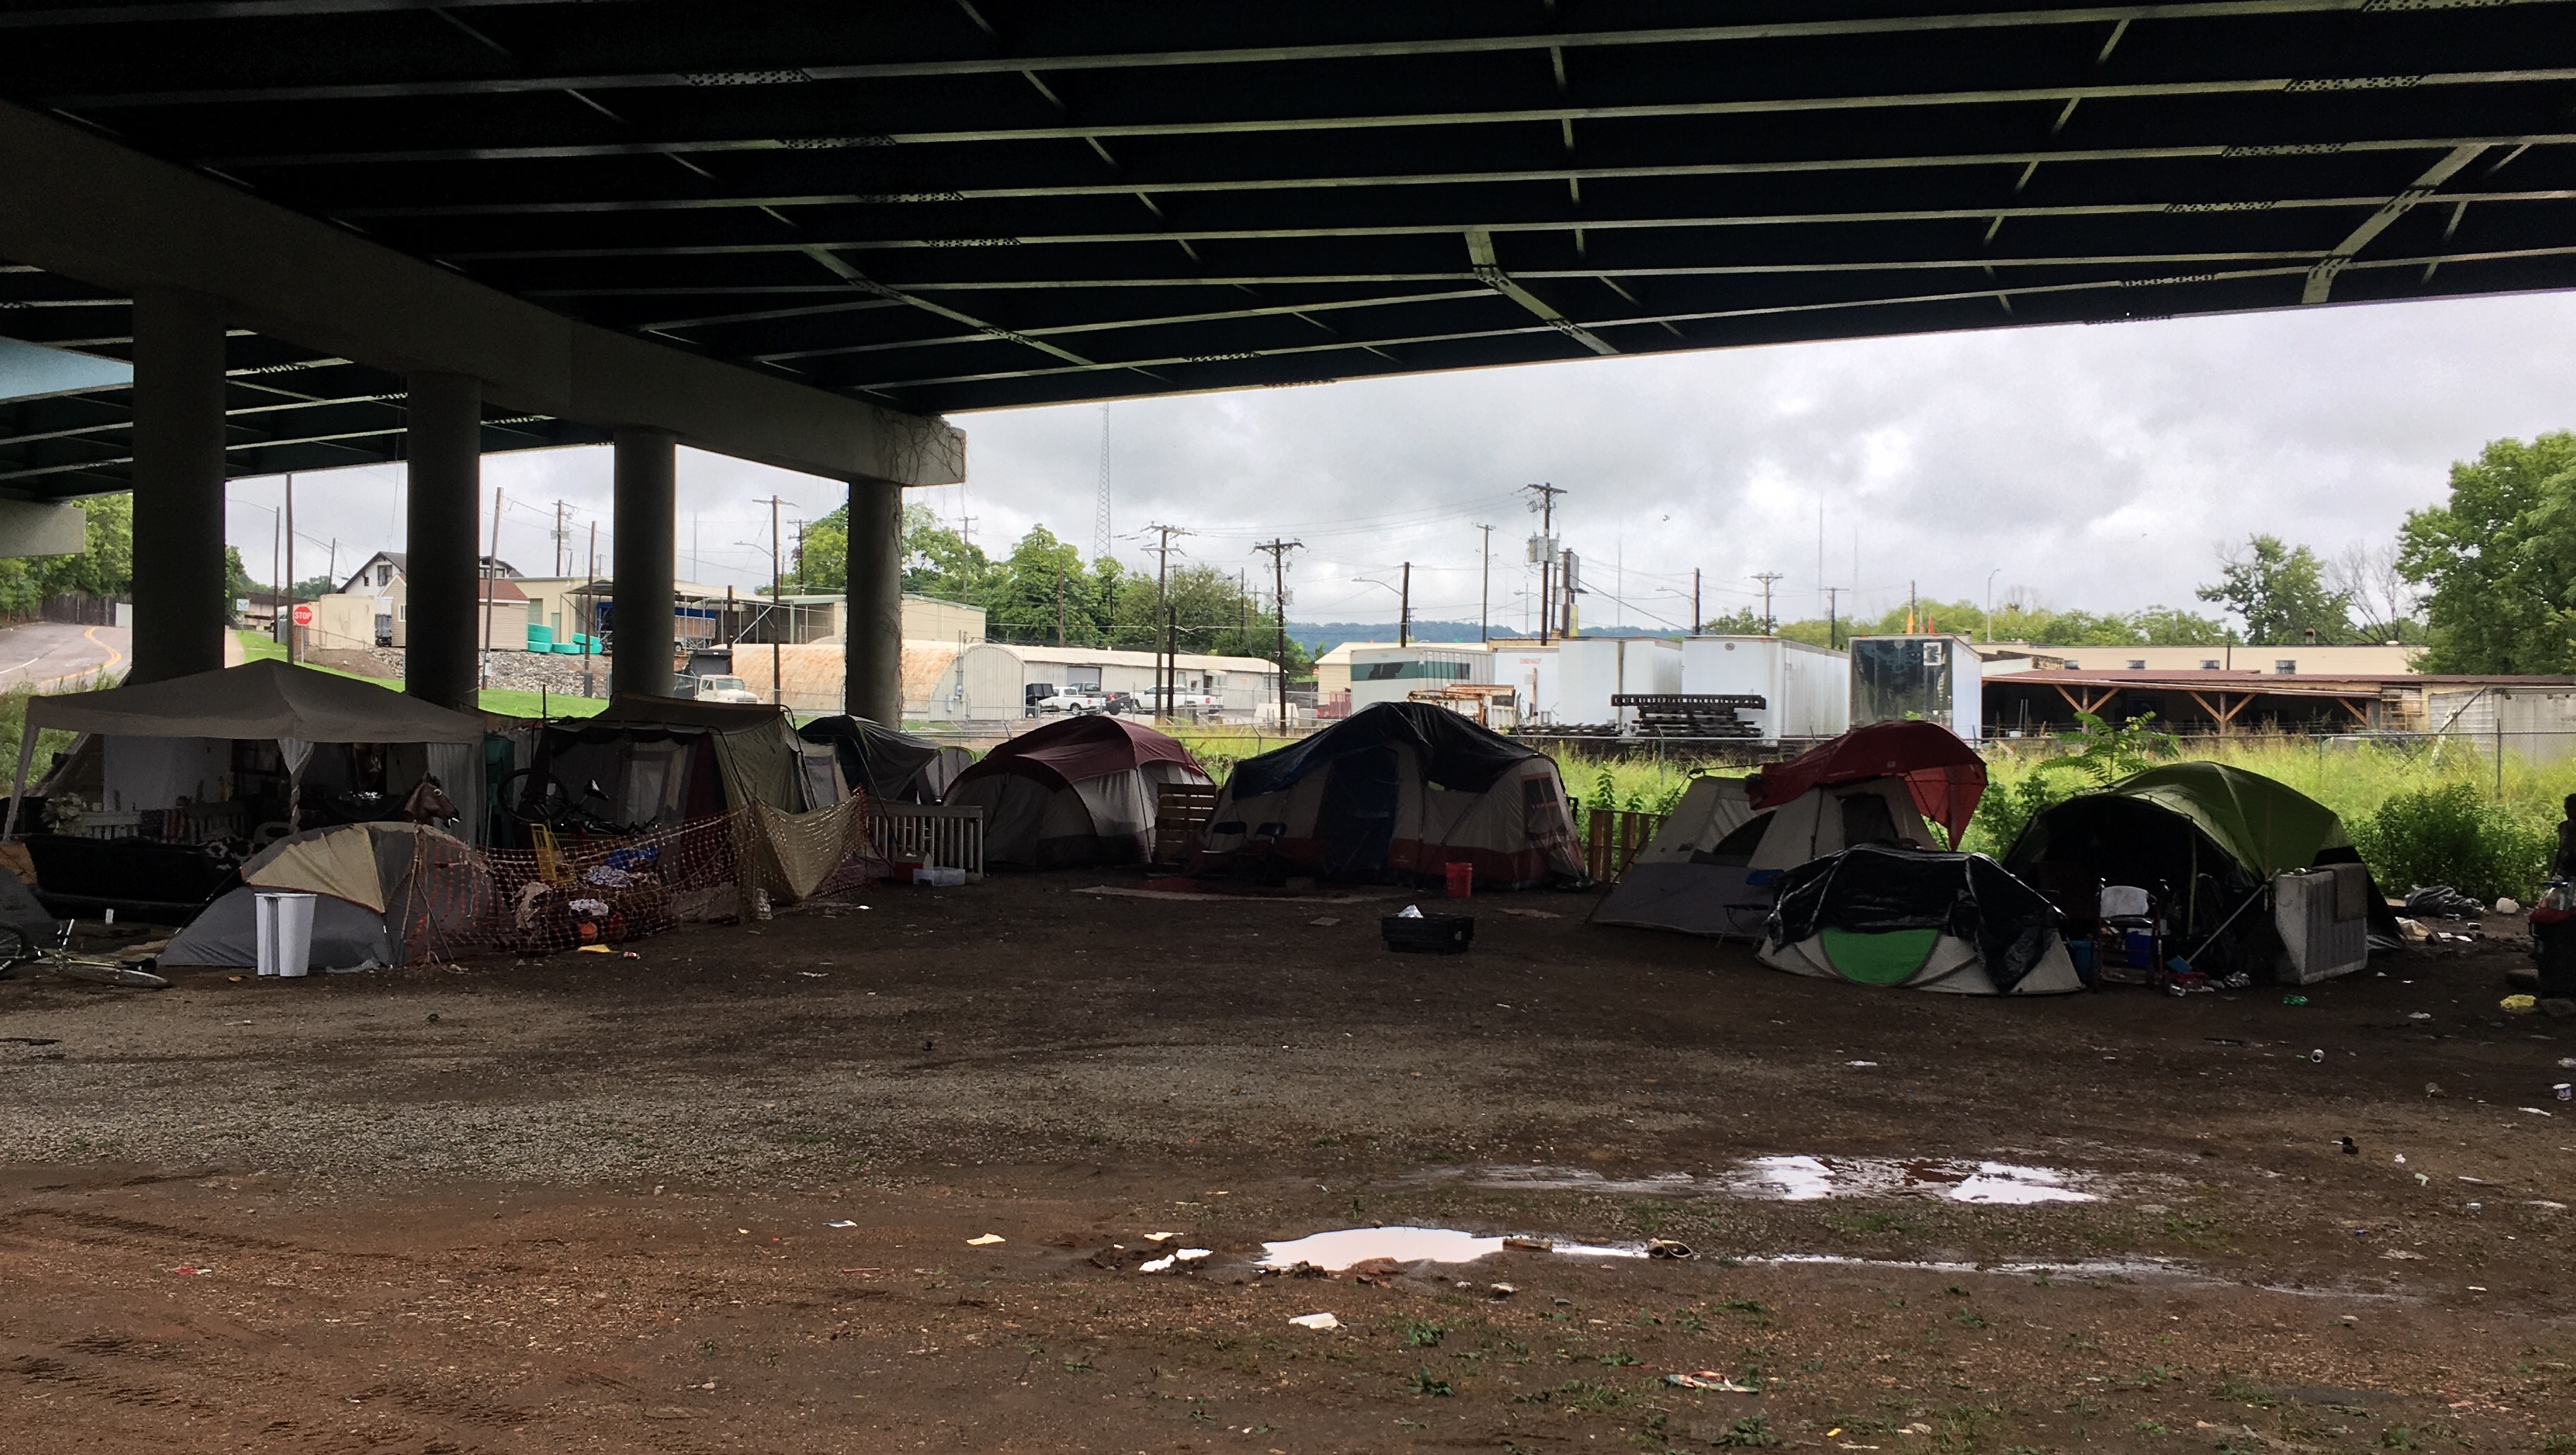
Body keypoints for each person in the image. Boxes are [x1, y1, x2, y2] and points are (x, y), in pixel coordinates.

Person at [2556, 794, 2576, 881]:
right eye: (2566, 808)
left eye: (2571, 808)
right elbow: (2561, 850)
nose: (2567, 811)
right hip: (2564, 871)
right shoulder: (2563, 827)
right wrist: (2554, 871)